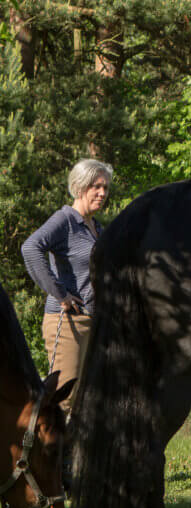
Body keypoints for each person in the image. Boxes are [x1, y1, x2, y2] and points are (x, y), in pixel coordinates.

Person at [21, 159, 114, 414]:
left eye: (105, 187)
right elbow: (30, 247)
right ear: (80, 186)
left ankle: (74, 454)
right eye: (97, 186)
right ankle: (41, 452)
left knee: (87, 400)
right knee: (63, 400)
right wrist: (60, 293)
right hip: (67, 322)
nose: (103, 193)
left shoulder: (97, 228)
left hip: (93, 324)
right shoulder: (65, 220)